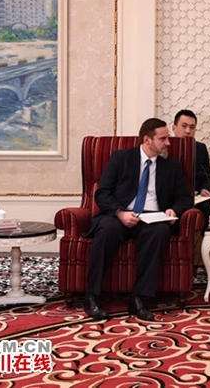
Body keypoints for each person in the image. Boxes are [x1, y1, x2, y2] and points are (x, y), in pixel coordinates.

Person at [83, 118, 193, 321]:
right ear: (147, 140)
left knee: (160, 231)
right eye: (163, 139)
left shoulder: (171, 166)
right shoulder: (121, 158)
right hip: (120, 214)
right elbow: (102, 193)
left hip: (153, 217)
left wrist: (173, 210)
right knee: (106, 230)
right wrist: (120, 213)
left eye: (167, 138)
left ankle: (139, 298)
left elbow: (185, 198)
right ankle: (92, 296)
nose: (168, 143)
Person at [172, 109, 210, 272]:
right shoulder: (166, 146)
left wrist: (205, 189)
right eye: (184, 126)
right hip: (173, 199)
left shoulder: (200, 148)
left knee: (208, 210)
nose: (188, 131)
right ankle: (178, 259)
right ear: (174, 128)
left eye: (192, 127)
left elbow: (207, 176)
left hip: (196, 197)